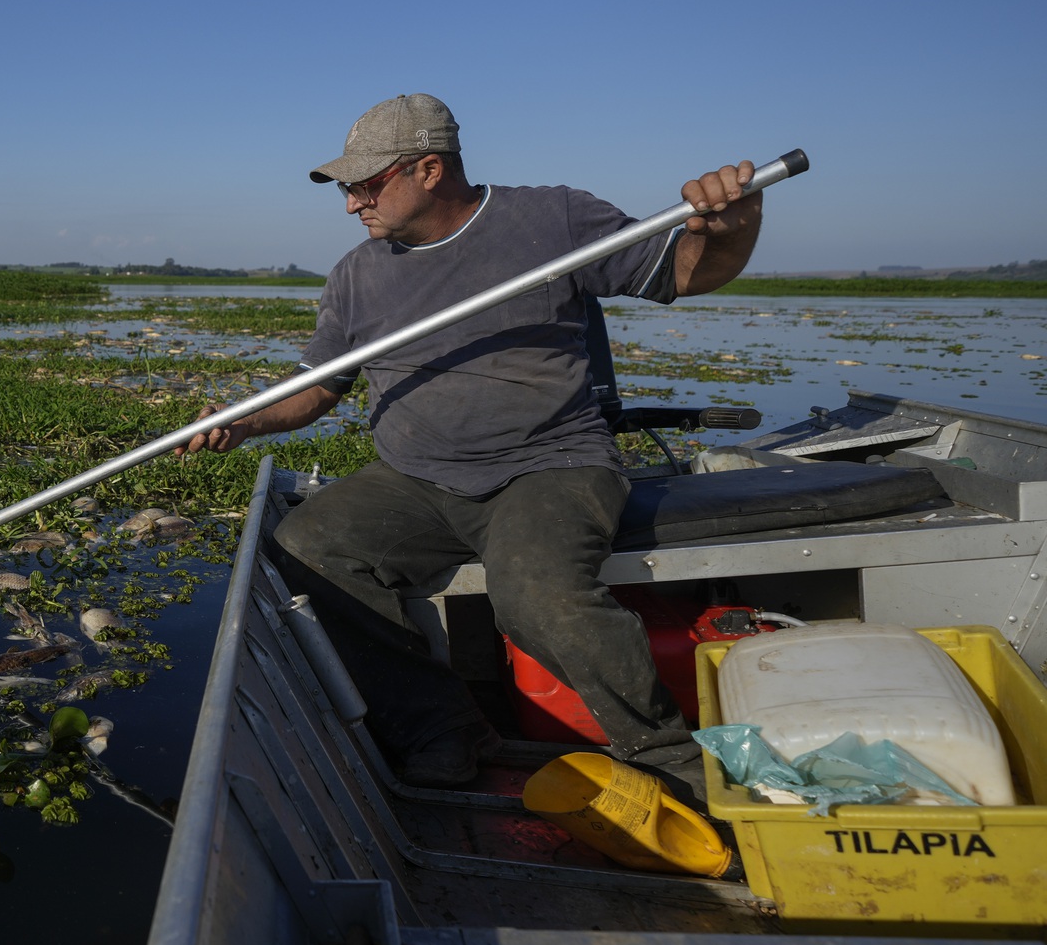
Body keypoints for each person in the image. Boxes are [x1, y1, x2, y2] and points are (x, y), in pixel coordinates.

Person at [180, 94, 764, 800]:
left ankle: (667, 754)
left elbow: (685, 269)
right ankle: (442, 727)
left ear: (428, 169)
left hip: (550, 466)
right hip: (417, 479)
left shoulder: (554, 220)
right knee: (308, 545)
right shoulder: (357, 275)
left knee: (535, 594)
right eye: (345, 187)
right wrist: (244, 421)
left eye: (364, 185)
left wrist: (732, 228)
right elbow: (318, 387)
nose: (350, 205)